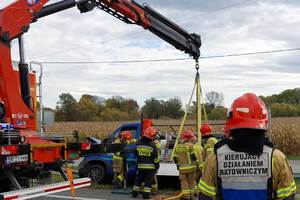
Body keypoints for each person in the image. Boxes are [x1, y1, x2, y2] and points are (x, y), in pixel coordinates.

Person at [198, 93, 296, 200]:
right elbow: (288, 196)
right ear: (264, 122)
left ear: (232, 121)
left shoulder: (216, 157)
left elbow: (205, 196)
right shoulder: (277, 158)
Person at [132, 127, 160, 199]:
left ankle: (134, 193)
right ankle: (146, 195)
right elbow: (155, 158)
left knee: (138, 179)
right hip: (150, 168)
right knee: (148, 181)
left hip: (140, 166)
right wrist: (157, 166)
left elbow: (135, 153)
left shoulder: (138, 143)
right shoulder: (152, 145)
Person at [174, 129, 198, 200]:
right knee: (192, 182)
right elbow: (193, 156)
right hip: (191, 168)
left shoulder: (177, 146)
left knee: (184, 182)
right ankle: (192, 196)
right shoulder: (190, 146)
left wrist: (178, 165)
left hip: (182, 169)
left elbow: (175, 158)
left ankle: (186, 196)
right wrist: (197, 162)